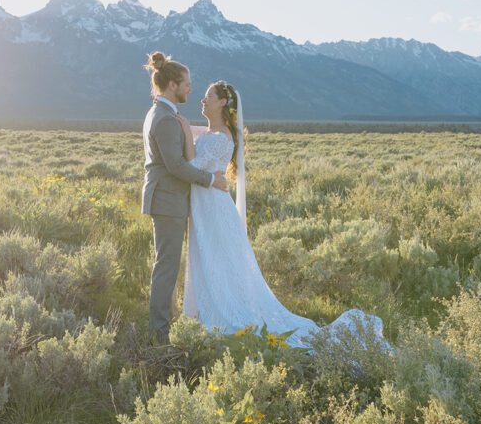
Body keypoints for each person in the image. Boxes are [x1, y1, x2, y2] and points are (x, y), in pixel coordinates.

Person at [176, 80, 386, 348]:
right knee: (207, 260)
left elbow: (192, 165)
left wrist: (183, 130)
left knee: (218, 262)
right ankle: (201, 313)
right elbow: (196, 145)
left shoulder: (221, 139)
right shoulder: (209, 134)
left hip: (214, 211)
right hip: (205, 208)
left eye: (207, 97)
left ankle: (223, 316)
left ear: (222, 103)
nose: (202, 101)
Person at [141, 52, 228, 343]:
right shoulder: (164, 118)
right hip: (167, 200)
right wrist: (211, 179)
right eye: (187, 84)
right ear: (172, 85)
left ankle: (166, 325)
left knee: (167, 265)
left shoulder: (166, 114)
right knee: (166, 267)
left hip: (170, 199)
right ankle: (159, 334)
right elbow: (176, 166)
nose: (191, 89)